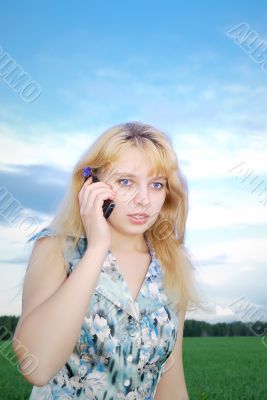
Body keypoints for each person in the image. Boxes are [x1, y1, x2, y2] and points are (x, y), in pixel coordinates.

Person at [13, 121, 204, 399]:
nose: (143, 199)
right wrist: (97, 249)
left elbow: (171, 379)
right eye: (126, 181)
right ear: (92, 184)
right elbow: (37, 367)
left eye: (156, 184)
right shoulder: (56, 248)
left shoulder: (172, 264)